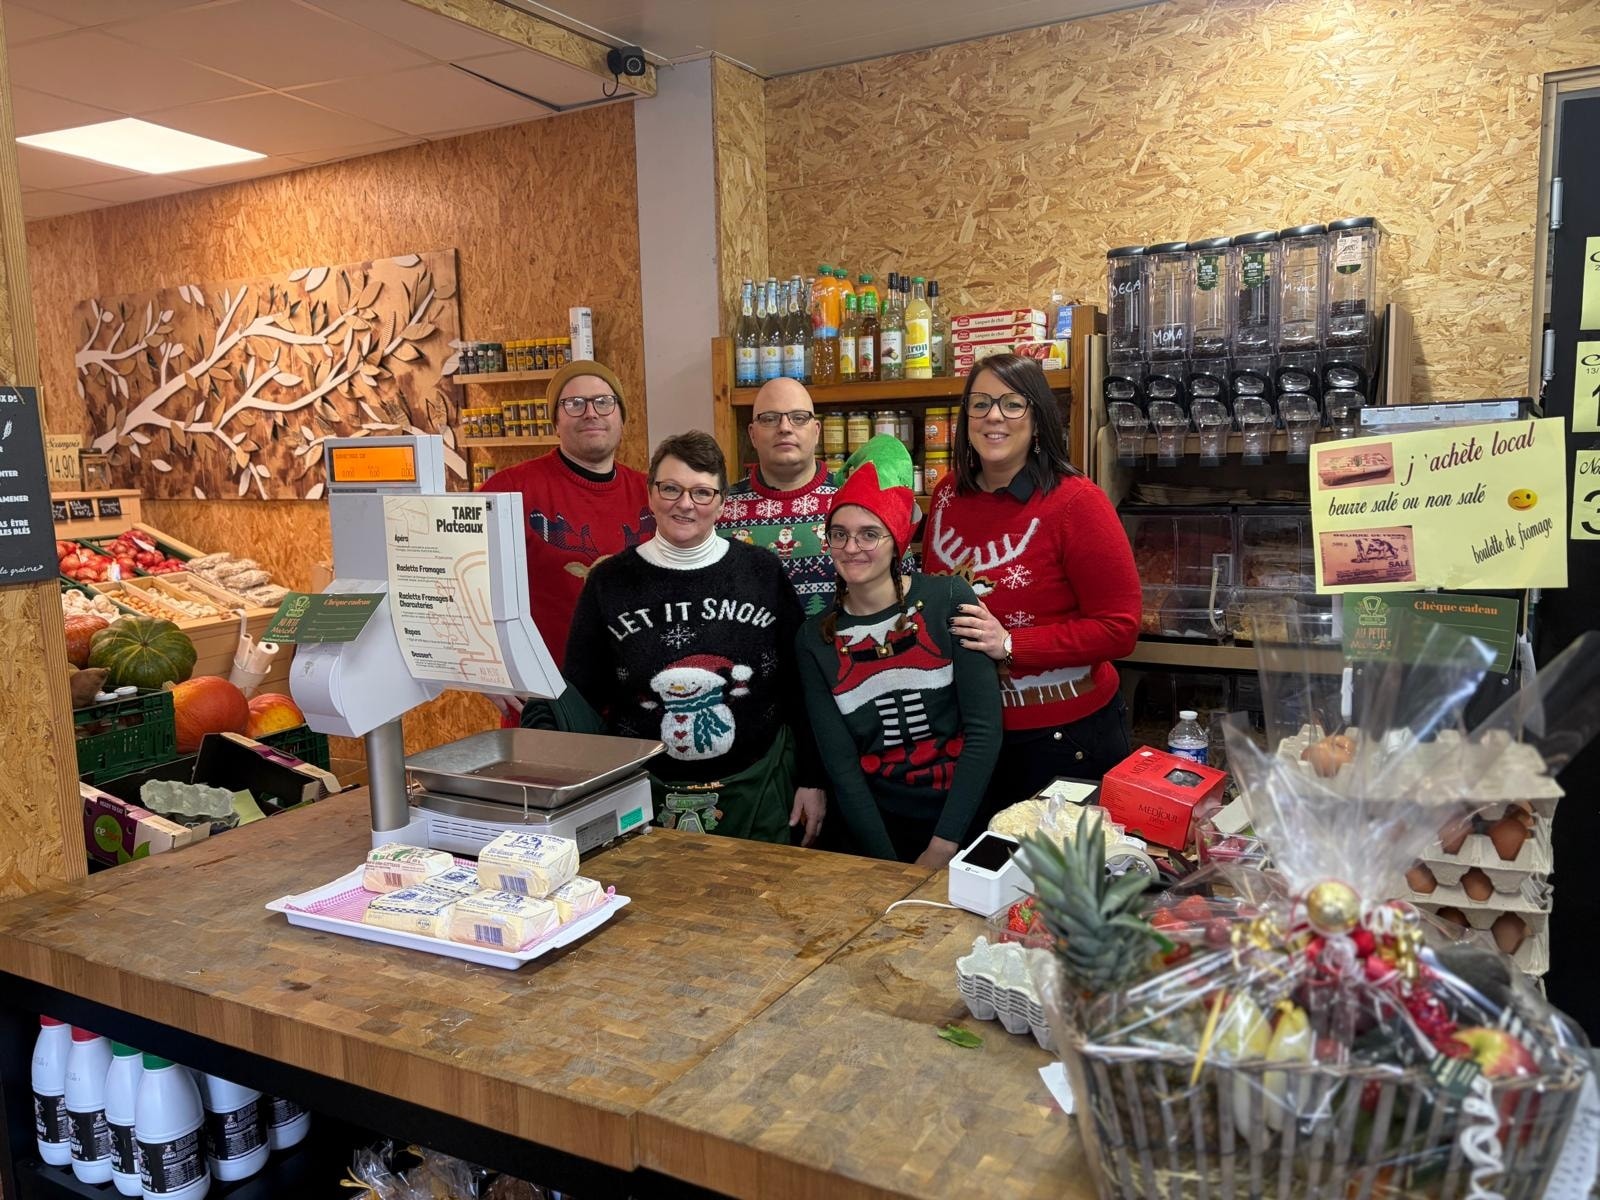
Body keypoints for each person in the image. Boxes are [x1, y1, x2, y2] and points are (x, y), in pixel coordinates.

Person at [555, 431, 828, 845]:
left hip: (758, 789)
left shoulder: (762, 572)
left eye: (702, 492)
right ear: (651, 494)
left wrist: (811, 778)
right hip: (640, 794)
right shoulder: (609, 582)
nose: (685, 504)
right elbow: (583, 696)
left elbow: (799, 686)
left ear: (721, 502)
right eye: (671, 488)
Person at [925, 353, 1140, 813]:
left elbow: (1119, 628)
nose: (993, 416)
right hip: (971, 735)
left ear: (1038, 417)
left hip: (1063, 740)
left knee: (1056, 861)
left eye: (1011, 403)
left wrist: (1011, 644)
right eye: (980, 404)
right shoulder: (946, 495)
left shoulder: (1077, 502)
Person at [797, 437, 1002, 866]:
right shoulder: (815, 640)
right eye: (839, 534)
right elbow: (842, 766)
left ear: (897, 541)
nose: (851, 548)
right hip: (874, 830)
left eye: (869, 534)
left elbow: (984, 732)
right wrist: (885, 865)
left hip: (962, 821)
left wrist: (944, 844)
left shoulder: (948, 599)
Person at [479, 360, 653, 673]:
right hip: (549, 691)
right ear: (555, 422)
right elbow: (459, 583)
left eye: (604, 402)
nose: (591, 413)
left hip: (639, 687)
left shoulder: (652, 493)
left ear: (622, 418)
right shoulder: (509, 490)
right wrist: (486, 669)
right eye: (574, 403)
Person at [715, 376, 841, 616]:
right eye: (770, 418)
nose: (784, 427)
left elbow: (900, 588)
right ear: (752, 434)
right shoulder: (719, 512)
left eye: (799, 418)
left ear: (817, 431)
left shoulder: (855, 501)